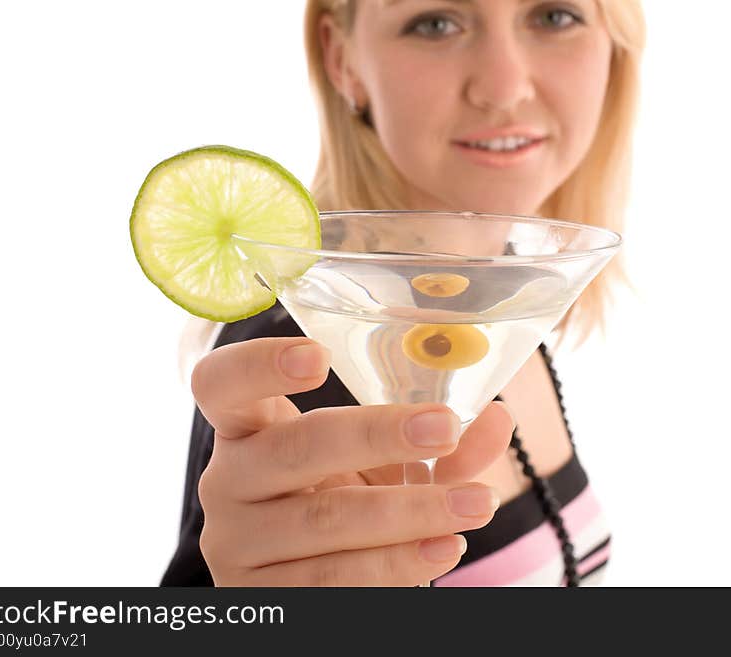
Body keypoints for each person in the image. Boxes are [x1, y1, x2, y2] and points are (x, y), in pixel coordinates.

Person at [162, 0, 645, 587]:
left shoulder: (509, 295)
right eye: (436, 23)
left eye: (555, 16)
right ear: (344, 62)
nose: (505, 86)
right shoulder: (305, 363)